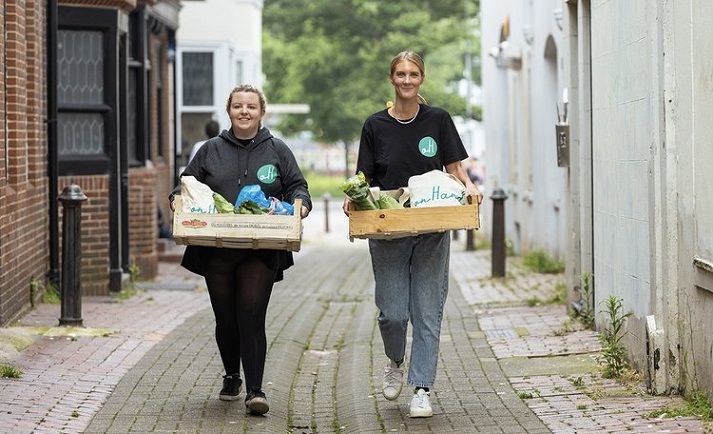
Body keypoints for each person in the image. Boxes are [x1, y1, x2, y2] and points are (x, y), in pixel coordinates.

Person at [343, 51, 483, 418]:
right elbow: (365, 178)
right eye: (401, 74)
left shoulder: (438, 119)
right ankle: (394, 359)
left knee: (427, 310)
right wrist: (353, 199)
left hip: (431, 225)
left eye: (414, 74)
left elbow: (455, 170)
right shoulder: (375, 125)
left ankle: (422, 387)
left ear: (422, 78)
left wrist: (469, 189)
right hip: (389, 227)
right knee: (392, 312)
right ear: (392, 78)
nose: (407, 80)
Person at [170, 84, 312, 415]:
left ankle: (256, 391)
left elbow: (297, 186)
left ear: (262, 112)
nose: (244, 111)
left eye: (251, 106)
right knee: (226, 317)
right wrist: (177, 198)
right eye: (237, 106)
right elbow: (186, 183)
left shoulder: (277, 149)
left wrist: (300, 204)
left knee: (250, 313)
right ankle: (232, 374)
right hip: (216, 248)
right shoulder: (210, 150)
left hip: (260, 247)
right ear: (229, 110)